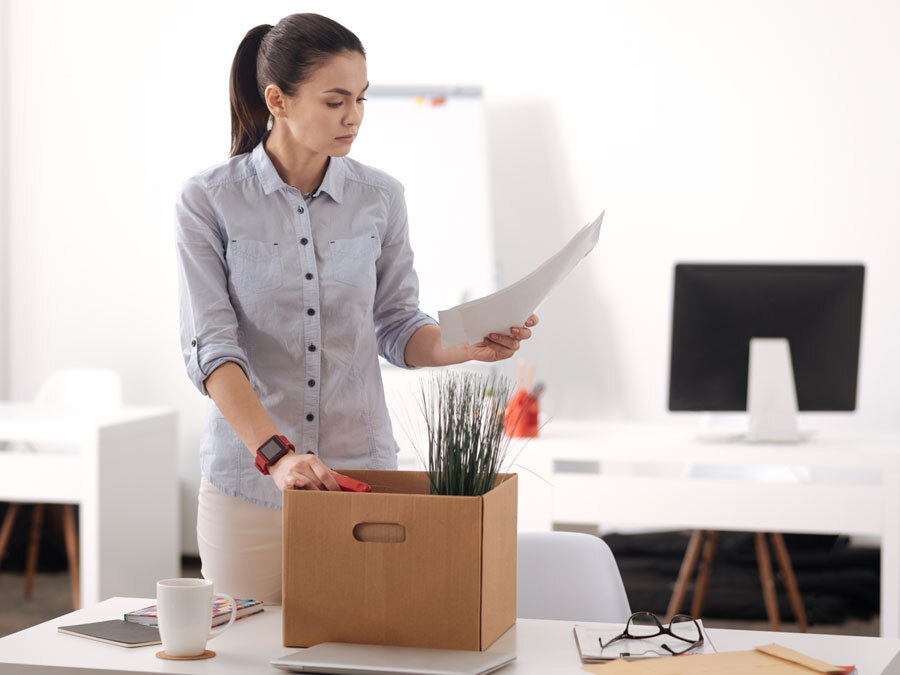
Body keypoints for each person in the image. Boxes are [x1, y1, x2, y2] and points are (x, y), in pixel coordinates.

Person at [174, 13, 539, 604]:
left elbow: (397, 326)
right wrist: (278, 456)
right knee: (241, 656)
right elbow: (212, 350)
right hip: (251, 485)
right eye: (336, 100)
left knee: (363, 646)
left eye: (361, 99)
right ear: (278, 100)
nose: (355, 117)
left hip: (361, 476)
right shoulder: (209, 201)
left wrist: (467, 345)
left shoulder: (380, 197)